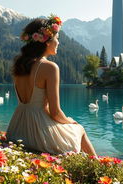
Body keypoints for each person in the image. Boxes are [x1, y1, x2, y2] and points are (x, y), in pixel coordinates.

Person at [6, 15, 96, 156]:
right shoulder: (49, 67)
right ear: (47, 41)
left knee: (71, 125)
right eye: (57, 39)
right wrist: (71, 123)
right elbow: (55, 112)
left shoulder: (20, 65)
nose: (58, 43)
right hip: (38, 134)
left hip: (17, 129)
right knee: (79, 129)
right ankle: (98, 168)